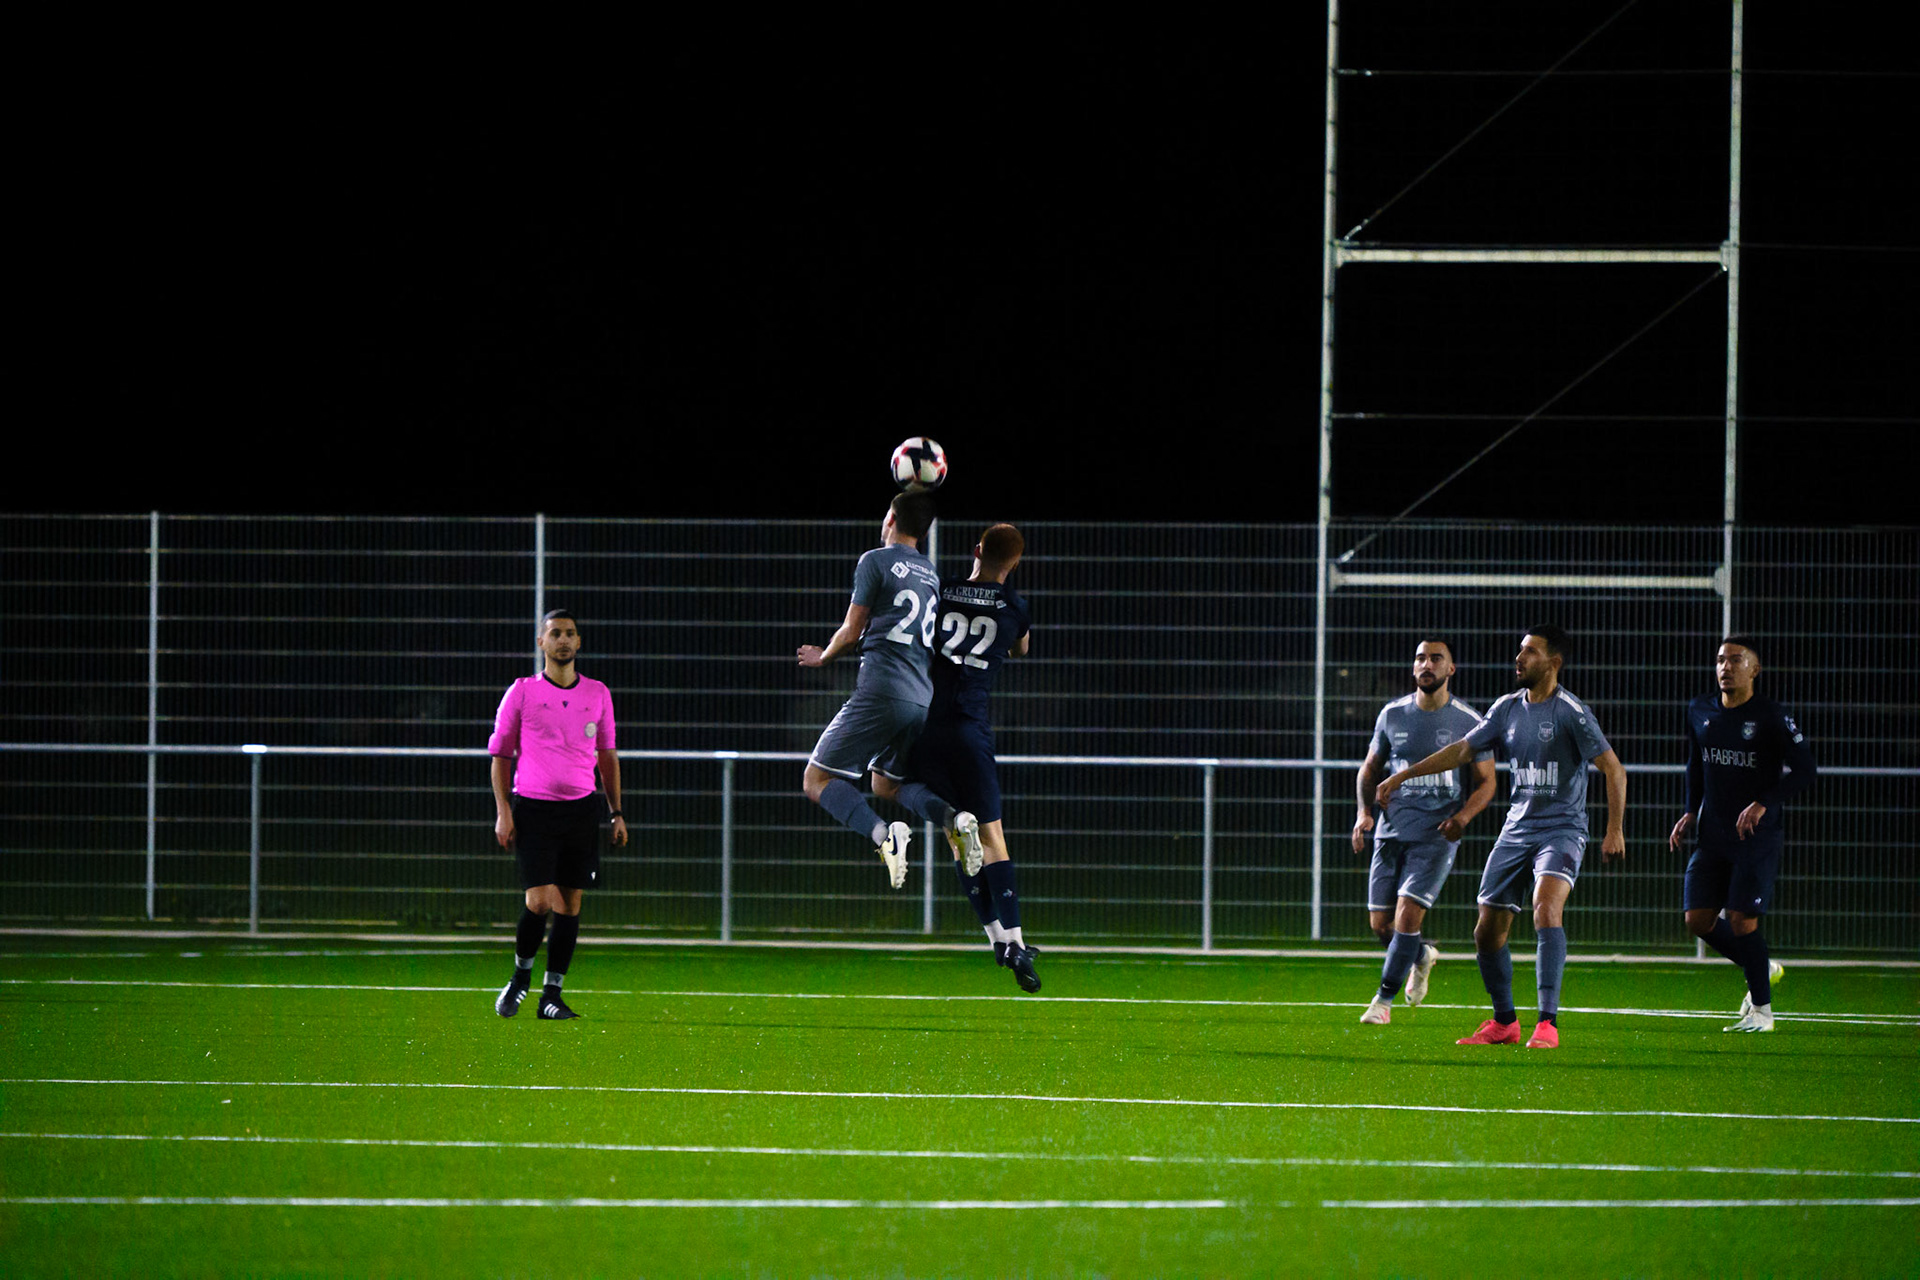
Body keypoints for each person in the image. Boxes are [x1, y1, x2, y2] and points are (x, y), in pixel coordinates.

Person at [1375, 626, 1626, 1049]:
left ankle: (1547, 1023)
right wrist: (1403, 774)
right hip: (1515, 831)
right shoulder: (1506, 708)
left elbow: (1613, 769)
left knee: (1545, 908)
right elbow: (1461, 750)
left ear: (1553, 663)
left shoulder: (1571, 712)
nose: (1519, 657)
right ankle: (1505, 1022)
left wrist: (1614, 829)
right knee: (1486, 933)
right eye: (1520, 650)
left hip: (1561, 831)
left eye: (1530, 652)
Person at [871, 523, 1040, 992]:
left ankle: (993, 940)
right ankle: (1015, 942)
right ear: (1016, 563)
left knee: (948, 828)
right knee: (992, 839)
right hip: (970, 728)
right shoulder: (1015, 609)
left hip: (925, 720)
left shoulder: (943, 591)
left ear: (976, 550)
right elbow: (1020, 648)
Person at [1668, 636, 1816, 1032]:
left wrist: (1764, 802)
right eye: (1720, 660)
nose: (1725, 667)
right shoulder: (1700, 709)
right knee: (1697, 919)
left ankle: (1763, 1014)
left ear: (1755, 670)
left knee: (1741, 921)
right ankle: (1761, 966)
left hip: (1756, 837)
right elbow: (1695, 765)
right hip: (1712, 835)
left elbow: (1805, 770)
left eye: (1736, 660)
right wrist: (1688, 811)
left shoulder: (1771, 716)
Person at [796, 491, 942, 888]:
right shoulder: (931, 573)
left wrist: (823, 657)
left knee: (816, 780)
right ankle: (954, 818)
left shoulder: (874, 561)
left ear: (891, 517)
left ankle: (884, 836)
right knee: (886, 784)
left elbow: (851, 629)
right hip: (921, 698)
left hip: (882, 690)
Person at [488, 609, 628, 1021]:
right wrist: (503, 812)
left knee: (570, 904)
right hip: (533, 809)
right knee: (539, 902)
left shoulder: (598, 693)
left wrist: (616, 811)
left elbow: (607, 756)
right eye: (555, 634)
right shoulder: (522, 692)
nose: (563, 640)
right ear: (541, 643)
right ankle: (519, 978)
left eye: (569, 634)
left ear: (579, 642)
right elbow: (499, 756)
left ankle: (552, 995)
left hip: (581, 811)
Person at [1351, 639, 1497, 1024]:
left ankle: (1382, 1002)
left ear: (1451, 669)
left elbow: (1486, 782)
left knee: (1406, 918)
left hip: (1436, 834)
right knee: (1380, 925)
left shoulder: (1469, 721)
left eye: (1435, 658)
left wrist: (1462, 818)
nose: (1426, 664)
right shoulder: (1392, 714)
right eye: (1420, 658)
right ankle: (1421, 956)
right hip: (1391, 829)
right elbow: (1369, 768)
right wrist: (1364, 813)